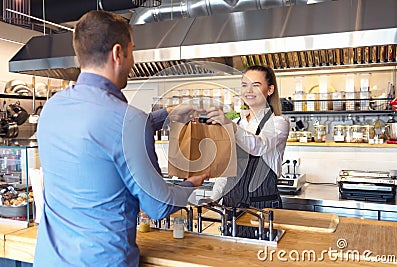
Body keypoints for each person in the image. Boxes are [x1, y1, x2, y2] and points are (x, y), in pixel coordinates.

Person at [34, 10, 208, 267]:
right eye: (132, 50)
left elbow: (104, 135)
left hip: (50, 259)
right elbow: (159, 206)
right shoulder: (128, 121)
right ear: (118, 53)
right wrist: (192, 184)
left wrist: (168, 114)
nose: (133, 61)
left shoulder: (51, 108)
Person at [207, 65, 290, 209]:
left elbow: (259, 147)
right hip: (231, 204)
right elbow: (228, 171)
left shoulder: (278, 123)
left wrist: (229, 125)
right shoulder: (238, 123)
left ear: (270, 90)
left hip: (263, 207)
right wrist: (214, 197)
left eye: (255, 85)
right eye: (244, 85)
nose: (248, 91)